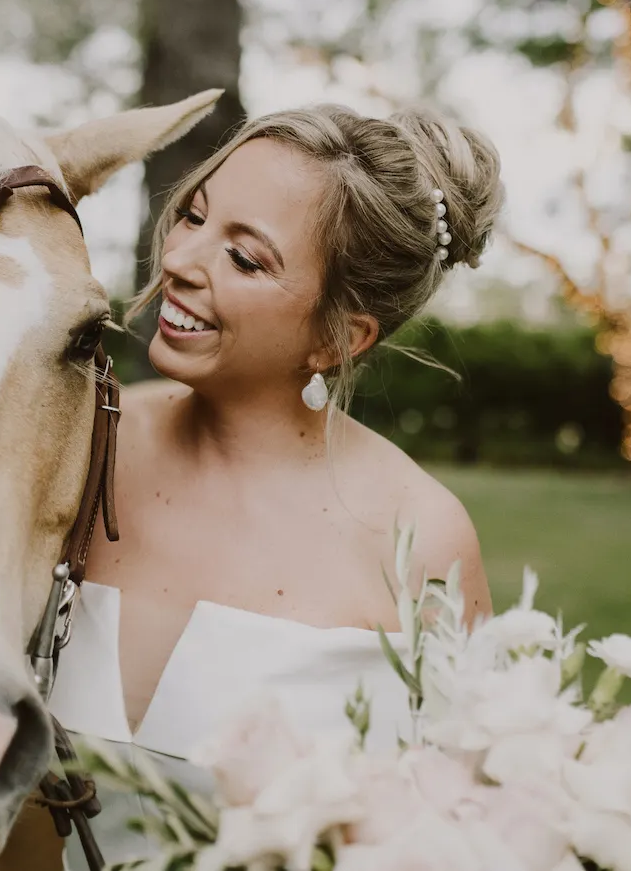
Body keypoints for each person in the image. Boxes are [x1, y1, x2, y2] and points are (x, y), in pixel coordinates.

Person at [35, 102, 504, 871]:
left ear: (337, 337)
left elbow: (469, 827)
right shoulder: (76, 444)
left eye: (246, 259)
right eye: (192, 214)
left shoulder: (417, 537)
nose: (182, 259)